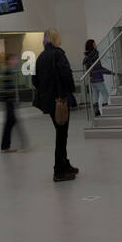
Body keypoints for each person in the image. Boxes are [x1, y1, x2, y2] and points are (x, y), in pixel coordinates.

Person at [34, 28, 78, 182]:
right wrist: (71, 89)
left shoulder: (40, 57)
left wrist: (46, 91)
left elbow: (35, 80)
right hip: (61, 100)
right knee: (61, 135)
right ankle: (59, 170)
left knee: (60, 132)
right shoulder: (59, 54)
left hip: (48, 101)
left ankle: (64, 164)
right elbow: (66, 74)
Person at [0, 53, 26, 152]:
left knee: (10, 122)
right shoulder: (7, 71)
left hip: (9, 100)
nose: (15, 61)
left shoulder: (7, 71)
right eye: (13, 59)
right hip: (8, 100)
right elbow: (6, 88)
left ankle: (6, 146)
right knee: (11, 121)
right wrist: (11, 99)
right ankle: (7, 145)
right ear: (9, 60)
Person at [83, 39, 114, 117]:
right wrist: (110, 72)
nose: (96, 45)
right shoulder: (95, 55)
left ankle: (96, 112)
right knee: (105, 95)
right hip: (98, 79)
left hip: (92, 79)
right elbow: (99, 68)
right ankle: (105, 110)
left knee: (95, 96)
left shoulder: (87, 56)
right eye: (95, 43)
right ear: (92, 45)